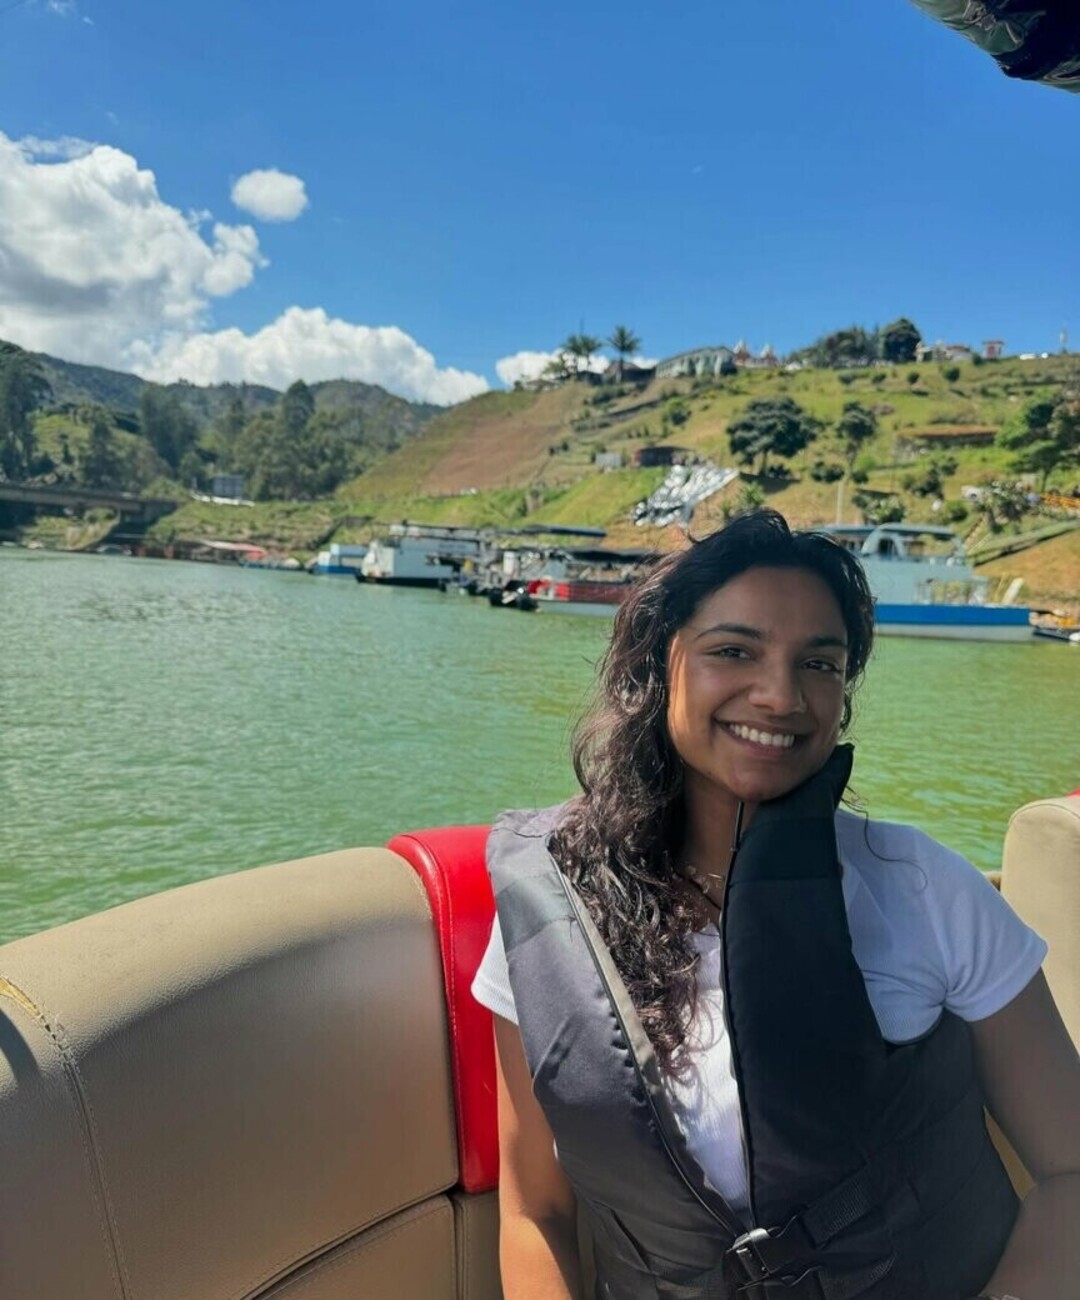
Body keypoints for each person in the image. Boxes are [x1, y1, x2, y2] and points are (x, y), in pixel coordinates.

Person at [471, 509, 1080, 1300]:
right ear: (659, 663)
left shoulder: (926, 891)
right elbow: (535, 1212)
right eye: (734, 651)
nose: (781, 695)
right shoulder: (552, 914)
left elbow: (1071, 1170)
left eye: (819, 664)